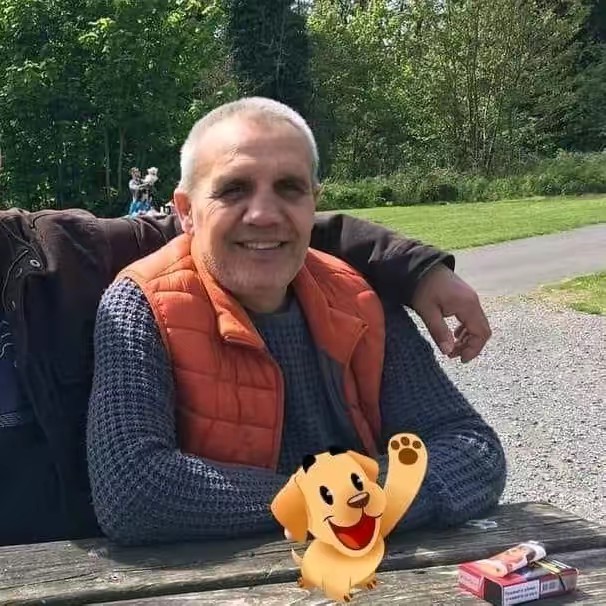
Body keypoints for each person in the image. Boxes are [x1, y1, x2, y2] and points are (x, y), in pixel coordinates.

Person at [87, 97, 506, 546]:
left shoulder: (359, 298)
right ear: (186, 211)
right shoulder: (143, 306)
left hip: (371, 566)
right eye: (233, 190)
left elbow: (471, 447)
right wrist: (325, 502)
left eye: (289, 188)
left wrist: (376, 500)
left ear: (313, 204)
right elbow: (131, 491)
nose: (265, 215)